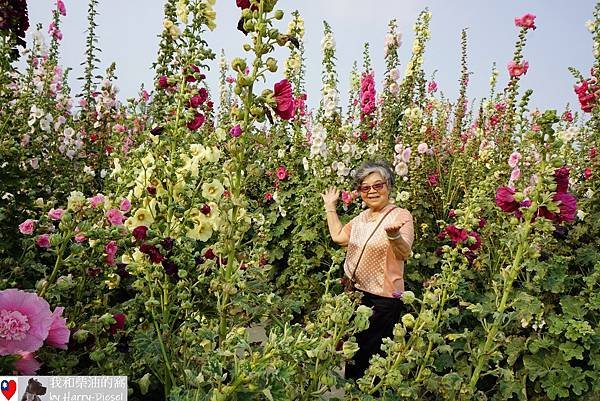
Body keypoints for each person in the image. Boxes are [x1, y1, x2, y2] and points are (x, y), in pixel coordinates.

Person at [321, 160, 414, 380]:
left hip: (382, 300)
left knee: (372, 357)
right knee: (353, 351)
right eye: (365, 187)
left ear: (388, 186)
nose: (371, 191)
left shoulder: (400, 216)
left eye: (378, 185)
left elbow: (405, 252)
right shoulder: (361, 218)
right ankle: (354, 392)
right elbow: (339, 237)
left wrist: (394, 236)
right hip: (355, 294)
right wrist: (330, 206)